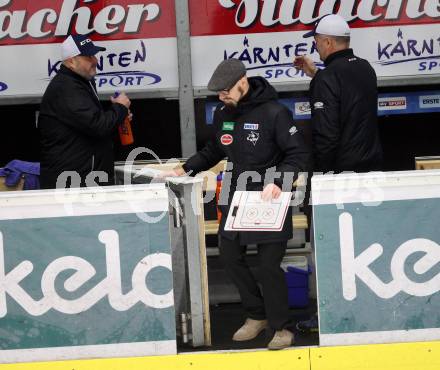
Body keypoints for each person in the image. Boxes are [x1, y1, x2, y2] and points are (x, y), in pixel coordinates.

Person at [163, 58, 310, 349]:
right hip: (235, 195)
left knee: (269, 264)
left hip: (270, 198)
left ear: (242, 81)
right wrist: (184, 169)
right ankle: (256, 316)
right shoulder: (223, 113)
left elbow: (298, 155)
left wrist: (278, 182)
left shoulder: (275, 113)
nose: (221, 97)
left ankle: (281, 327)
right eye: (217, 93)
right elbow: (214, 150)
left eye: (225, 91)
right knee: (229, 255)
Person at [293, 14, 383, 333]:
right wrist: (316, 74)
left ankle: (330, 317)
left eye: (316, 41)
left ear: (329, 42)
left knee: (332, 250)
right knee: (365, 249)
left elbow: (327, 134)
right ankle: (366, 310)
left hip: (339, 179)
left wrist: (323, 180)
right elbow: (347, 99)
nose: (315, 46)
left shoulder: (328, 78)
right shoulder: (365, 68)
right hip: (371, 176)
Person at [39, 34, 131, 189]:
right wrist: (120, 108)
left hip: (84, 181)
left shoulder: (80, 82)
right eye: (88, 56)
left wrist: (118, 116)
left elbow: (90, 126)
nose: (95, 60)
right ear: (71, 61)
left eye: (94, 55)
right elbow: (98, 125)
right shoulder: (66, 87)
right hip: (71, 184)